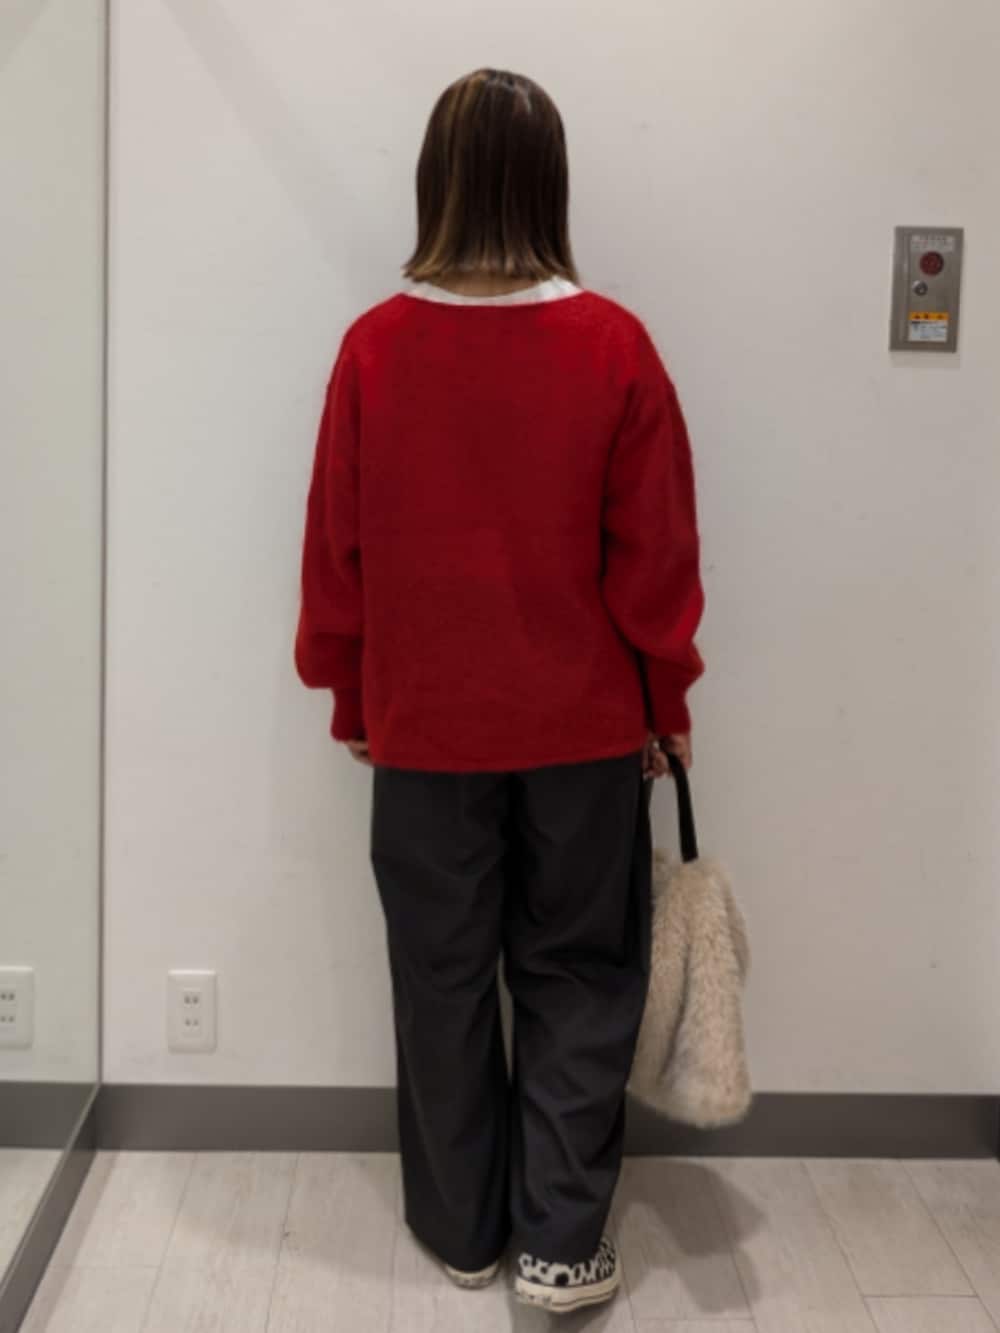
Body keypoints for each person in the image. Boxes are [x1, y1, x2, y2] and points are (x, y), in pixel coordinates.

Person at [294, 66, 704, 1315]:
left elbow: (335, 551)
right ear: (550, 182)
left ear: (436, 180)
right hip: (586, 730)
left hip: (422, 730)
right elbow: (656, 558)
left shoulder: (374, 348)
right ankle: (561, 1238)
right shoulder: (614, 346)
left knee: (440, 974)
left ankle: (461, 1226)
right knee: (579, 971)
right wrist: (665, 703)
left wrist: (350, 696)